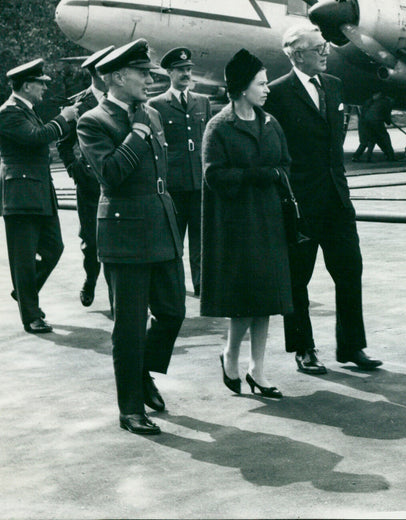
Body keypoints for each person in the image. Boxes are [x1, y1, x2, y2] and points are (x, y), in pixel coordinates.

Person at [77, 39, 186, 436]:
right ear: (118, 77)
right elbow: (111, 174)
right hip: (125, 234)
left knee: (173, 311)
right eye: (142, 74)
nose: (149, 80)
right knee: (129, 325)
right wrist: (137, 134)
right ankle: (130, 408)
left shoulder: (152, 114)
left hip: (161, 225)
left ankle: (142, 371)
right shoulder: (93, 120)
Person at [265, 24, 383, 374]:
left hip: (336, 200)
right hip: (300, 204)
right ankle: (304, 348)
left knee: (350, 270)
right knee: (297, 277)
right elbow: (276, 153)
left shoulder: (333, 87)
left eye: (325, 47)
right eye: (318, 49)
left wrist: (343, 192)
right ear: (297, 54)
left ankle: (351, 346)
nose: (326, 52)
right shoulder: (277, 93)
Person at [201, 49, 293, 398]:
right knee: (244, 301)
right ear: (242, 88)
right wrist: (255, 175)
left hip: (269, 220)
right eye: (261, 83)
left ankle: (258, 370)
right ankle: (230, 356)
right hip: (236, 225)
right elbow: (213, 176)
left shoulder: (270, 122)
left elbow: (285, 163)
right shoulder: (219, 127)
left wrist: (275, 175)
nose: (267, 89)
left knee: (267, 299)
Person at [0, 58, 78, 333]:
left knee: (54, 248)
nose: (44, 88)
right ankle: (31, 315)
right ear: (27, 85)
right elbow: (36, 137)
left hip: (36, 191)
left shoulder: (24, 109)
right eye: (40, 83)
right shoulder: (9, 112)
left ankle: (24, 291)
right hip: (20, 195)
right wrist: (64, 119)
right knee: (24, 258)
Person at [147, 47, 211, 297]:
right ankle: (172, 287)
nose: (186, 74)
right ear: (169, 72)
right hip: (173, 185)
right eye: (181, 70)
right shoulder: (157, 104)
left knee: (201, 240)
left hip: (199, 183)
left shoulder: (202, 102)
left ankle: (202, 285)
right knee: (173, 240)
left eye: (188, 69)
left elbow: (208, 142)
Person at [56, 45, 115, 309]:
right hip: (90, 186)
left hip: (118, 181)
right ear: (98, 73)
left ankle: (120, 299)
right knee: (91, 243)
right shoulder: (79, 105)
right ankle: (91, 278)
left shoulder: (122, 99)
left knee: (118, 242)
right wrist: (75, 170)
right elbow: (64, 145)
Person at [352, 92, 397, 162]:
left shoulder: (370, 102)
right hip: (376, 121)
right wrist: (388, 122)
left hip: (366, 122)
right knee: (385, 138)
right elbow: (386, 114)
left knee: (371, 140)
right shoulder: (387, 102)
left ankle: (363, 156)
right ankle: (390, 156)